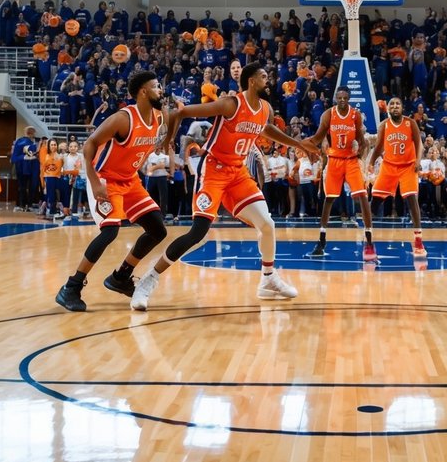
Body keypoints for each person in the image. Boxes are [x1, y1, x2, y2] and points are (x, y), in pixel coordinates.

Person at [131, 64, 320, 311]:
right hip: (213, 170)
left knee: (267, 224)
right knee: (197, 233)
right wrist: (168, 141)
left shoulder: (265, 108)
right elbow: (181, 112)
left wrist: (300, 144)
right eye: (263, 77)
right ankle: (148, 280)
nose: (268, 80)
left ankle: (268, 278)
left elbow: (267, 129)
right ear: (251, 81)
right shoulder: (231, 104)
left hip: (238, 173)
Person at [55, 71, 172, 312]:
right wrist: (95, 182)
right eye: (156, 86)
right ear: (143, 92)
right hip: (105, 179)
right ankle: (71, 287)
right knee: (110, 231)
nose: (161, 90)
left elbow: (154, 140)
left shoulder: (160, 118)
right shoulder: (123, 118)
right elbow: (90, 144)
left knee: (157, 229)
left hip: (130, 180)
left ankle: (120, 277)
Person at [309, 88, 375, 259]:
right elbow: (318, 137)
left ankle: (369, 242)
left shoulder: (355, 115)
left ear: (349, 98)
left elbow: (361, 139)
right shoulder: (328, 115)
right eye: (340, 98)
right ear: (335, 98)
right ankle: (321, 241)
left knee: (362, 196)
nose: (343, 100)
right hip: (334, 160)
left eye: (345, 98)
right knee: (329, 198)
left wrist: (359, 148)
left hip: (351, 161)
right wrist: (304, 143)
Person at [366, 97, 428, 256]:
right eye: (391, 104)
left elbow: (419, 143)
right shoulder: (384, 125)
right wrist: (372, 162)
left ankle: (419, 241)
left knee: (411, 198)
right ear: (387, 108)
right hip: (389, 166)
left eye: (397, 104)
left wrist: (418, 160)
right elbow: (379, 146)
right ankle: (368, 241)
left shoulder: (410, 123)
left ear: (402, 108)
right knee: (375, 201)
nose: (394, 106)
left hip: (408, 166)